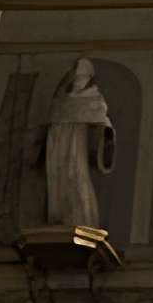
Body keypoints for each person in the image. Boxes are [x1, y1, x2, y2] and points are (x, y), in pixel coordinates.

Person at [43, 58, 116, 230]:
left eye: (82, 77)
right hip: (58, 146)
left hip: (78, 148)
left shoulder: (94, 99)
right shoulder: (62, 100)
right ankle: (59, 217)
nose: (78, 80)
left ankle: (82, 218)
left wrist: (102, 135)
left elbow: (102, 125)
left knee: (77, 177)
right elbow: (53, 121)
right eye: (76, 76)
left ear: (89, 78)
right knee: (58, 181)